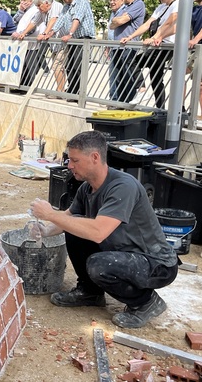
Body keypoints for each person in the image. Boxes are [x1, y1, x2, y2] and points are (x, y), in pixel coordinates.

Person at [29, 130, 178, 329]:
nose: (69, 165)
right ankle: (90, 292)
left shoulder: (123, 186)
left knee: (99, 265)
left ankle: (146, 302)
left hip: (155, 263)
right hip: (122, 251)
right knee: (74, 226)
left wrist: (49, 214)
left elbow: (98, 232)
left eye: (75, 160)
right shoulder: (87, 187)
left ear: (95, 157)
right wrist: (46, 230)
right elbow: (69, 218)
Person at [121, 0, 179, 109]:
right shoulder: (161, 7)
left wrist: (154, 38)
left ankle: (142, 90)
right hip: (158, 44)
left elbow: (169, 23)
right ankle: (160, 108)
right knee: (156, 77)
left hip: (166, 45)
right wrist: (131, 36)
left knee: (133, 62)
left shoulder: (177, 4)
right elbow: (147, 24)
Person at [43, 0, 95, 97]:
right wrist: (51, 32)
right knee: (70, 66)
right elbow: (61, 18)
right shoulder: (67, 5)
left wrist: (70, 33)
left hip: (82, 38)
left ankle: (80, 94)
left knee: (78, 65)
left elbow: (78, 17)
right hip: (73, 39)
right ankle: (72, 91)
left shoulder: (81, 0)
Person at [109, 0, 146, 103]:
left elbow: (119, 21)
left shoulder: (138, 4)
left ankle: (128, 102)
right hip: (119, 45)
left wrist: (118, 20)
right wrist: (117, 20)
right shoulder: (128, 6)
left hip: (128, 45)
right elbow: (112, 25)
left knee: (127, 75)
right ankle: (119, 102)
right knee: (118, 76)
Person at [11, 0, 46, 87]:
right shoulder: (24, 11)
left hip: (31, 43)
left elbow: (33, 27)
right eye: (21, 0)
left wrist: (22, 34)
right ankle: (21, 85)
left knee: (30, 66)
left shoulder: (35, 10)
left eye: (25, 1)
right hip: (23, 43)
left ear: (31, 2)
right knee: (23, 66)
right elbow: (14, 22)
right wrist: (21, 11)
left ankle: (28, 86)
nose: (22, 2)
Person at [106, 0, 126, 101]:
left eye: (114, 0)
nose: (112, 2)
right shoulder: (113, 12)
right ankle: (113, 99)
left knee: (120, 75)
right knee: (113, 75)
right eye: (111, 0)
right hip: (113, 47)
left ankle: (120, 101)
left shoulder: (124, 10)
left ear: (122, 0)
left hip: (121, 46)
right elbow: (110, 31)